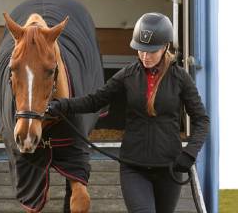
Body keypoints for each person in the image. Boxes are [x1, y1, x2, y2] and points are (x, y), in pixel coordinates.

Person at [47, 12, 209, 213]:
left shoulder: (180, 78)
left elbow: (201, 120)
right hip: (134, 168)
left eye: (151, 51)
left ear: (165, 46)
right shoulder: (127, 75)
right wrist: (61, 105)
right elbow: (95, 100)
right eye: (141, 50)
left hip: (169, 169)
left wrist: (190, 153)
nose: (145, 56)